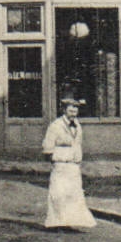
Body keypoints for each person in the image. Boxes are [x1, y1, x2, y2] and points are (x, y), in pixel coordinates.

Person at [42, 96, 97, 230]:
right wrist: (56, 159)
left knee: (72, 195)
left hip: (73, 165)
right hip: (61, 164)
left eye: (76, 108)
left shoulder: (77, 125)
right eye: (70, 108)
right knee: (59, 194)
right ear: (64, 110)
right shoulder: (55, 126)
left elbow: (78, 144)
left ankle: (68, 222)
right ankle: (56, 223)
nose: (73, 110)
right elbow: (48, 146)